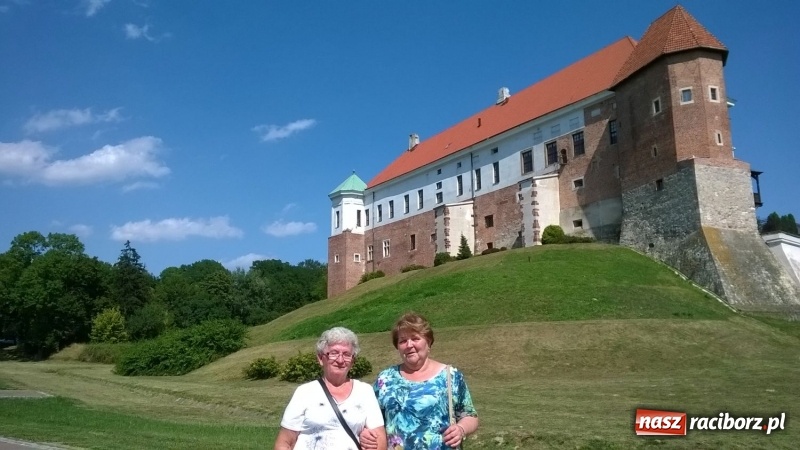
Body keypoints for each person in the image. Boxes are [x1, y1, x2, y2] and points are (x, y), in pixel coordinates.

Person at [361, 312, 479, 450]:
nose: (409, 345)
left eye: (415, 338)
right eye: (403, 341)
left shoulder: (450, 376)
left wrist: (461, 429)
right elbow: (369, 418)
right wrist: (365, 432)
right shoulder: (385, 379)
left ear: (428, 342)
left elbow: (471, 416)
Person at [274, 327, 387, 450]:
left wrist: (370, 441)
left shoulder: (365, 391)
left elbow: (380, 440)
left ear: (353, 361)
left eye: (346, 354)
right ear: (320, 358)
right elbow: (284, 442)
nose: (340, 360)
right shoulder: (304, 392)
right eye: (333, 353)